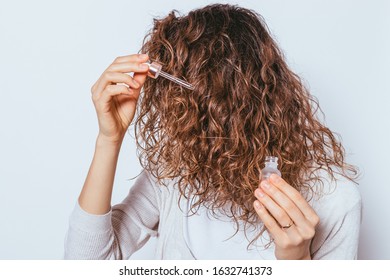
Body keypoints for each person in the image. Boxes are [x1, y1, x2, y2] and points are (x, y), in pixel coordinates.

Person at [64, 4, 361, 260]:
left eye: (196, 108)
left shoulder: (335, 200)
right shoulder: (173, 171)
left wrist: (297, 261)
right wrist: (109, 139)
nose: (177, 119)